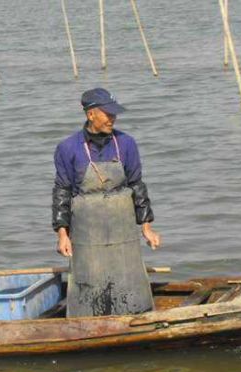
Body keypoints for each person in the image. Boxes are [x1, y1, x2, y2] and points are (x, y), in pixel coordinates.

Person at [52, 88, 161, 317]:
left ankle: (136, 313)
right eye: (107, 113)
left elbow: (137, 186)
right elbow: (62, 193)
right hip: (86, 230)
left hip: (123, 227)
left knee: (128, 275)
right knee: (89, 280)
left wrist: (147, 228)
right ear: (91, 115)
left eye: (115, 113)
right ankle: (87, 320)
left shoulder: (126, 144)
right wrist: (62, 234)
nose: (113, 118)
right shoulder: (68, 148)